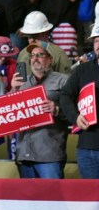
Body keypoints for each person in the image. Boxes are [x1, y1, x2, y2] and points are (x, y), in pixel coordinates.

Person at [10, 42, 68, 179]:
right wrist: (13, 90)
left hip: (49, 156)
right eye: (33, 55)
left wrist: (57, 110)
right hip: (24, 154)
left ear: (50, 59)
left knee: (52, 198)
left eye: (40, 55)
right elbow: (7, 115)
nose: (35, 58)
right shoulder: (21, 83)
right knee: (28, 200)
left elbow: (76, 112)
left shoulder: (63, 81)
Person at [60, 24, 99, 179]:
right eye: (96, 41)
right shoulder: (82, 70)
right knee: (91, 200)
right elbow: (65, 95)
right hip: (87, 148)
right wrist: (75, 117)